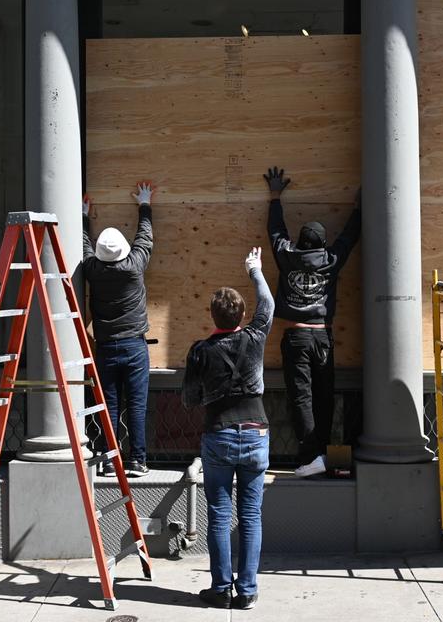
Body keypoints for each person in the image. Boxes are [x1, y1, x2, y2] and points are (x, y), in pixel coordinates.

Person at [182, 246, 272, 611]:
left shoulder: (200, 351)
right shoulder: (255, 337)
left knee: (219, 514)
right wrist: (254, 268)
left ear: (212, 316)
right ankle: (247, 591)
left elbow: (189, 399)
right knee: (251, 516)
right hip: (256, 431)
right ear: (242, 315)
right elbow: (268, 303)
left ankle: (221, 588)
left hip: (218, 433)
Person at [263, 166, 361, 478]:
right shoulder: (331, 260)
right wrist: (360, 207)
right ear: (320, 244)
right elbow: (348, 238)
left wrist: (275, 195)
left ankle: (311, 456)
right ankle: (321, 452)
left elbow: (276, 232)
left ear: (302, 242)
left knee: (301, 398)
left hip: (297, 338)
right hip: (324, 338)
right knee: (323, 396)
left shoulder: (287, 256)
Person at [82, 181, 155, 477]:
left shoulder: (92, 269)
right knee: (136, 406)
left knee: (109, 406)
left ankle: (111, 461)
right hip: (135, 347)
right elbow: (145, 239)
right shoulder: (134, 265)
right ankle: (137, 461)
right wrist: (145, 203)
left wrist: (84, 216)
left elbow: (85, 246)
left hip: (106, 347)